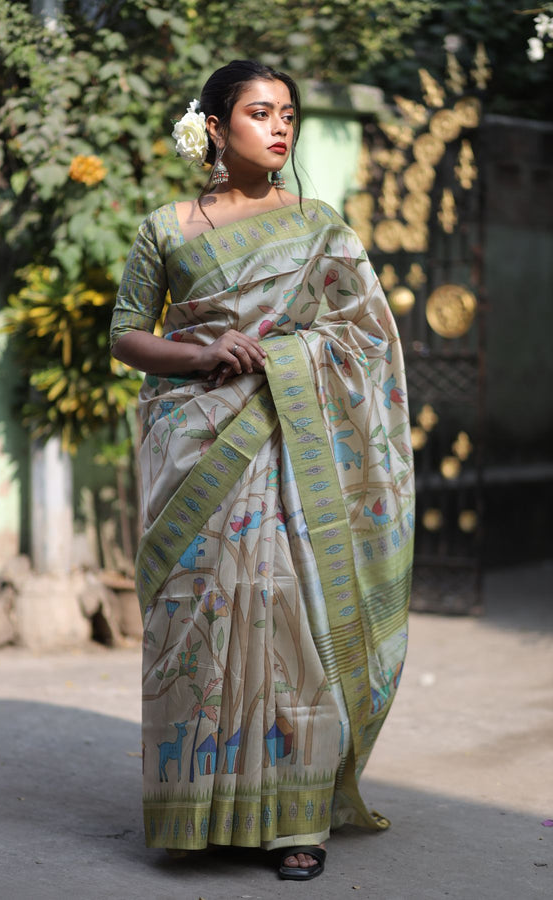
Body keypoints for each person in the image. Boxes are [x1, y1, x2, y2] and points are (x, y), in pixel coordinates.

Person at [110, 59, 414, 882]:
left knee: (290, 619)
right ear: (214, 127)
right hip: (194, 443)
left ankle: (297, 820)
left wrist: (286, 354)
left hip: (291, 447)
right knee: (196, 617)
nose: (280, 127)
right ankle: (195, 813)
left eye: (289, 114)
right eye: (259, 112)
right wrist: (203, 352)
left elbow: (365, 339)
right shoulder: (166, 227)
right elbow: (128, 336)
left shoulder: (320, 226)